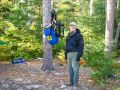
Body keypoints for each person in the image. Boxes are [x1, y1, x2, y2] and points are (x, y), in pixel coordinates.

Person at [65, 22, 84, 87]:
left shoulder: (79, 35)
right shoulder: (68, 35)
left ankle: (75, 83)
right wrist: (65, 54)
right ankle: (71, 82)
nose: (72, 27)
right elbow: (66, 45)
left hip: (75, 53)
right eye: (70, 26)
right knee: (70, 69)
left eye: (73, 26)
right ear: (69, 27)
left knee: (75, 69)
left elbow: (81, 46)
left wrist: (79, 55)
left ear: (76, 27)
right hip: (69, 53)